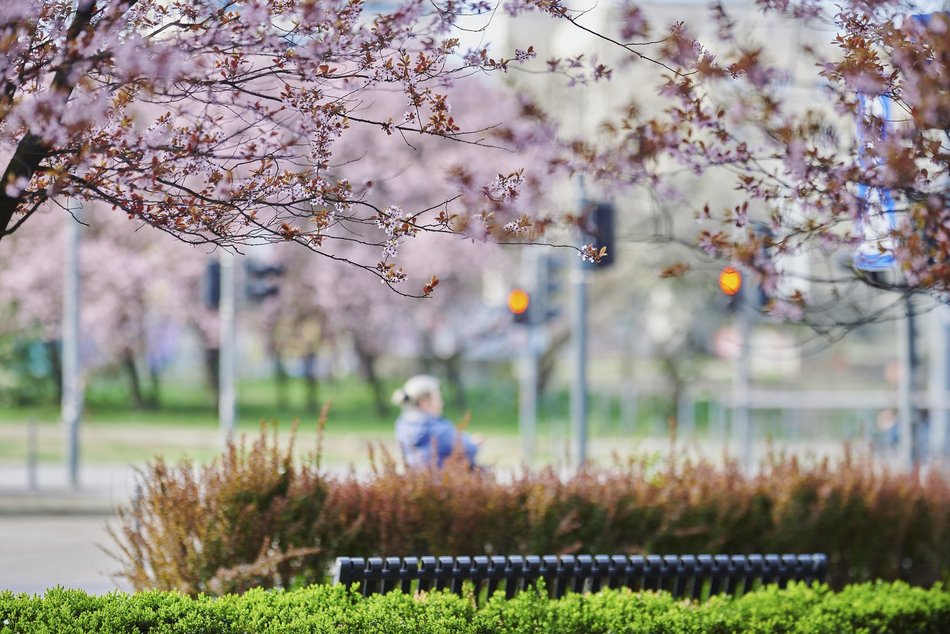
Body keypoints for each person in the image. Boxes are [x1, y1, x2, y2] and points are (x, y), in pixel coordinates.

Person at [392, 375, 480, 469]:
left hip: (415, 479)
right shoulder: (439, 430)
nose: (442, 403)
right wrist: (474, 444)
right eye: (439, 398)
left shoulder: (402, 424)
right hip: (441, 481)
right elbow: (468, 450)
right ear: (424, 403)